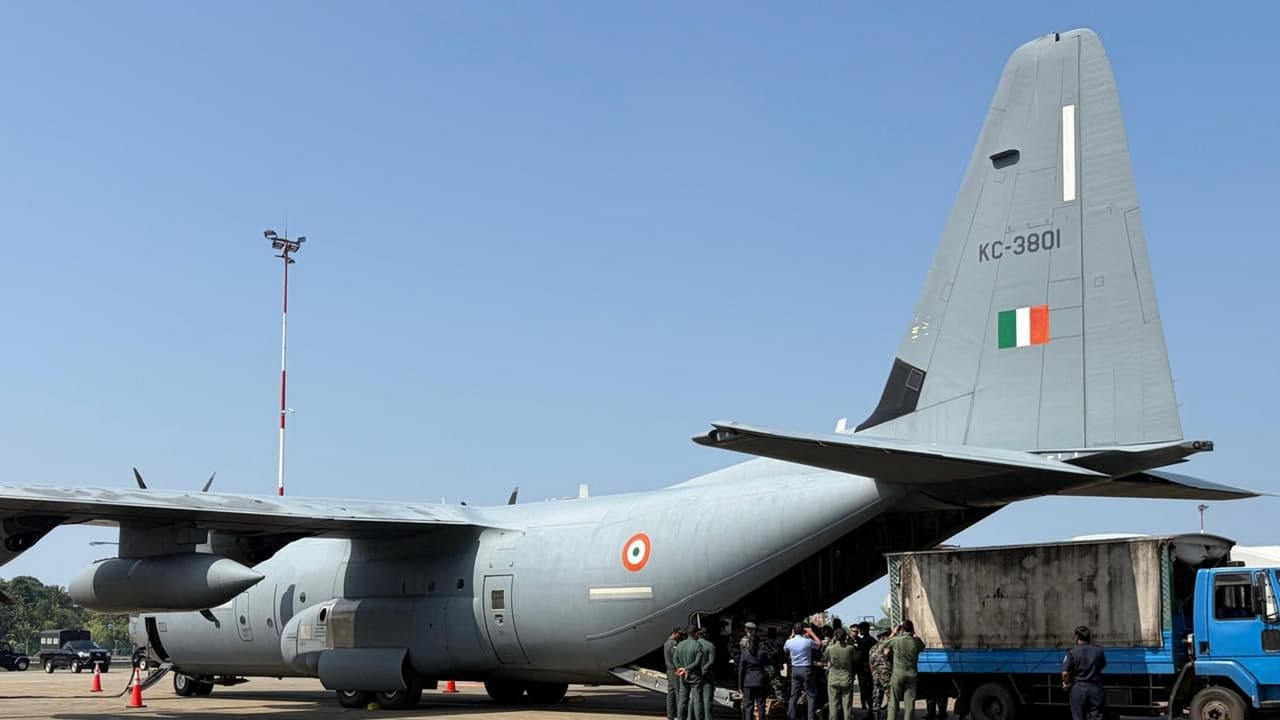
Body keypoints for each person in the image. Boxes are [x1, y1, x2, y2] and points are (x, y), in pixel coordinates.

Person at [1062, 625, 1107, 720]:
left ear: (1076, 637)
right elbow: (1102, 666)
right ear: (1089, 637)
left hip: (1078, 689)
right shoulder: (1099, 651)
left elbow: (1065, 674)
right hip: (1095, 689)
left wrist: (1066, 684)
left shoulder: (1072, 652)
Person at [883, 621, 925, 720]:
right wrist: (916, 636)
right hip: (912, 674)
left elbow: (884, 643)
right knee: (909, 704)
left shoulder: (896, 640)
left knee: (893, 701)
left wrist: (894, 633)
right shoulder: (916, 642)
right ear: (912, 629)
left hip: (898, 674)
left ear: (902, 629)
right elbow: (922, 647)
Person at [784, 622, 823, 720]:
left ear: (794, 631)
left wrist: (791, 635)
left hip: (795, 669)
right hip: (806, 669)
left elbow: (785, 649)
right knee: (810, 695)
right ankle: (810, 717)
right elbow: (819, 644)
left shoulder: (789, 642)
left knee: (793, 695)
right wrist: (812, 633)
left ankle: (791, 717)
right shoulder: (807, 641)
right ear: (803, 631)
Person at [822, 628, 856, 720]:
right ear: (845, 637)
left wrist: (831, 643)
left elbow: (824, 658)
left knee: (833, 704)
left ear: (834, 637)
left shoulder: (830, 648)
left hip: (833, 678)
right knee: (847, 704)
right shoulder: (850, 648)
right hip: (846, 677)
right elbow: (855, 658)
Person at [738, 627, 771, 720]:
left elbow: (741, 670)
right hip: (760, 681)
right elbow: (768, 664)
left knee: (749, 705)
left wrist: (740, 685)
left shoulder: (745, 653)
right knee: (761, 705)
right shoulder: (762, 653)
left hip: (748, 682)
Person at [674, 628, 705, 720]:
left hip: (683, 675)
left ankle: (680, 718)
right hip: (694, 675)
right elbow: (697, 662)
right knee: (697, 700)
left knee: (682, 700)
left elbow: (675, 659)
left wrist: (681, 668)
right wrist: (686, 669)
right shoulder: (697, 645)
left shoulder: (680, 644)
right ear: (695, 633)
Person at [870, 630, 893, 720]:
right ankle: (890, 715)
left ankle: (876, 715)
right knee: (890, 695)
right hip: (886, 674)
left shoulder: (873, 648)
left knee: (876, 694)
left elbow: (870, 662)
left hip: (875, 673)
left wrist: (873, 672)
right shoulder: (888, 647)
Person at [665, 627, 687, 720]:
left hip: (669, 670)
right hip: (675, 670)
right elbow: (676, 657)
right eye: (679, 634)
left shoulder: (666, 643)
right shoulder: (674, 644)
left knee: (670, 693)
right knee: (678, 692)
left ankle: (670, 715)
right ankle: (680, 714)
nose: (681, 636)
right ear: (674, 632)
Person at [695, 626, 717, 720]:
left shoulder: (694, 644)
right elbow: (711, 661)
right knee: (707, 699)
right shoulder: (710, 645)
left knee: (697, 699)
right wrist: (704, 669)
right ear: (705, 634)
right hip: (707, 675)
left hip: (695, 675)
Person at [855, 622, 875, 712]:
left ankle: (865, 704)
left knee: (864, 687)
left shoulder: (863, 641)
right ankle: (868, 703)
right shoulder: (872, 640)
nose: (859, 631)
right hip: (868, 667)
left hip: (863, 668)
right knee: (868, 687)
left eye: (861, 629)